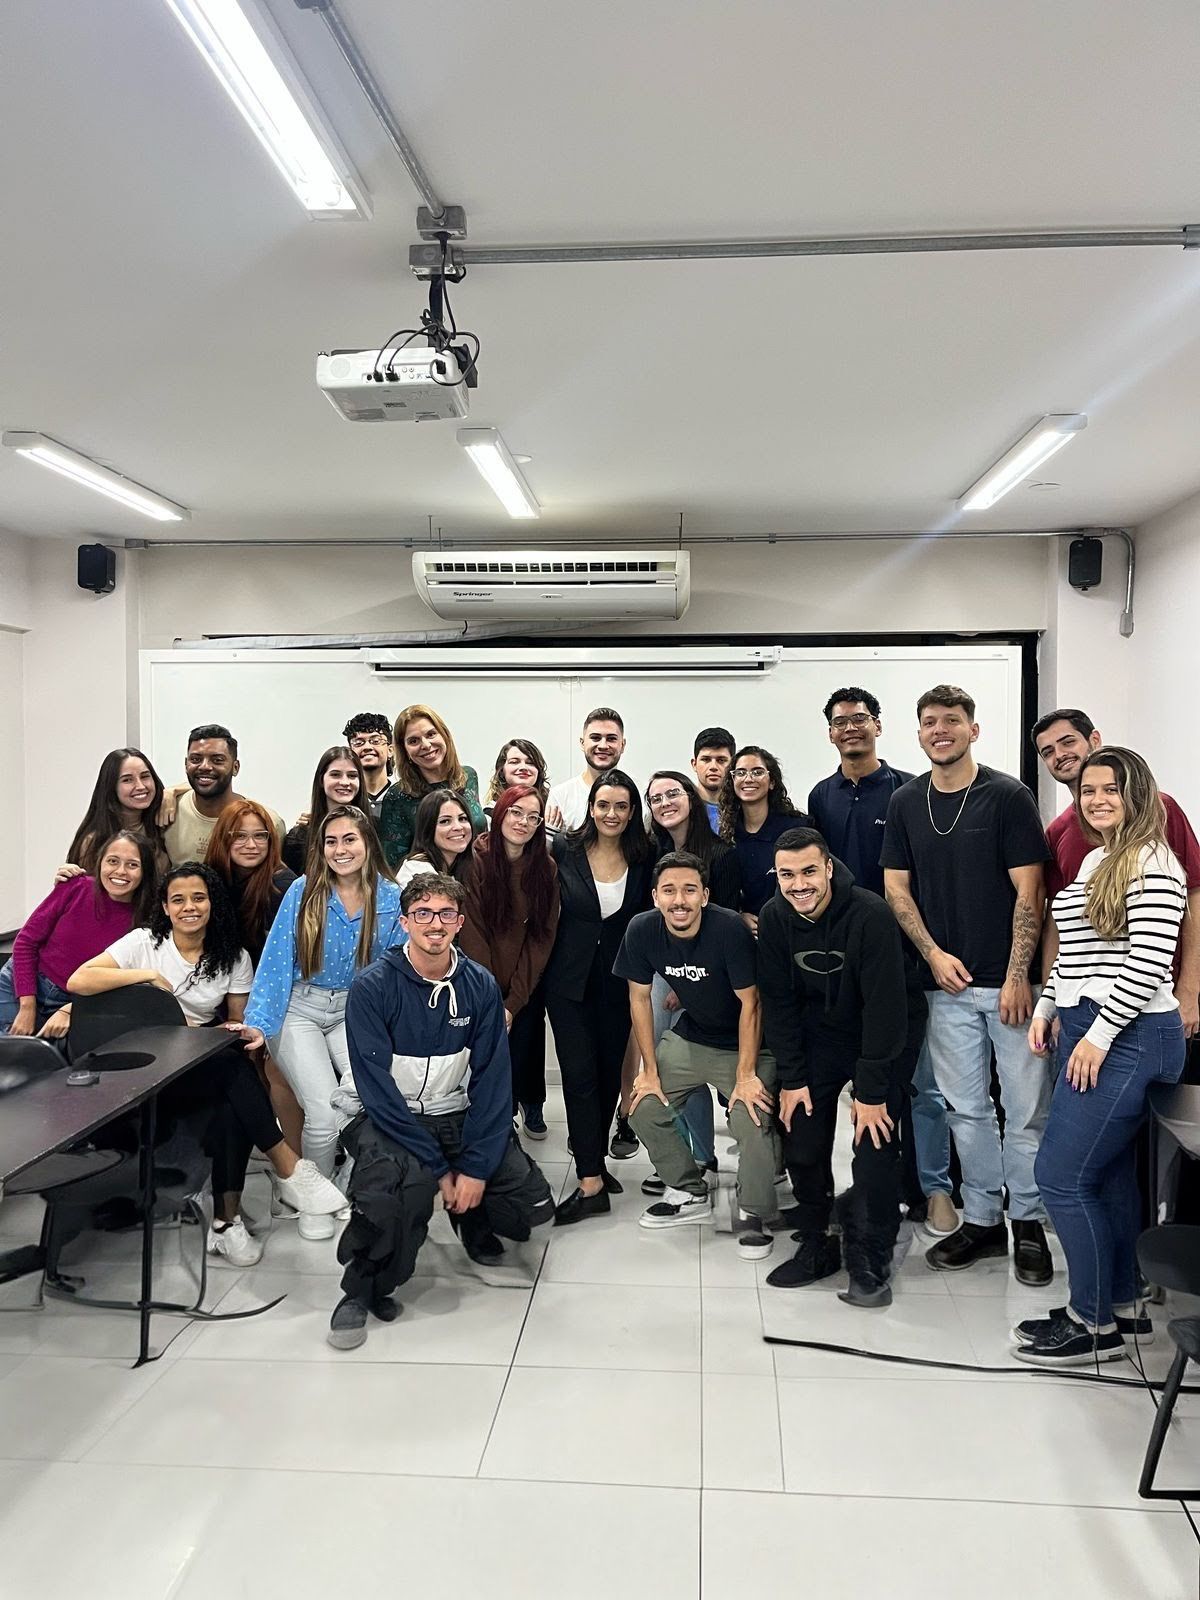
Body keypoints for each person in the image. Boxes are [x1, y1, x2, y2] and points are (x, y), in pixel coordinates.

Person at [68, 862, 346, 1266]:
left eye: (198, 898)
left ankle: (226, 1224)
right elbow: (79, 980)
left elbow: (235, 1025)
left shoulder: (232, 957)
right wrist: (147, 977)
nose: (189, 907)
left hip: (192, 1067)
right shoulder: (144, 943)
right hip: (142, 1074)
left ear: (212, 903)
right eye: (178, 900)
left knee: (232, 1084)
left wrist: (215, 1032)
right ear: (165, 907)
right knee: (231, 1075)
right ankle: (286, 1168)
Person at [327, 873, 555, 1349]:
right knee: (398, 1190)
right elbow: (377, 1092)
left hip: (453, 1108)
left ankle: (471, 1219)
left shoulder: (480, 985)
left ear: (460, 922)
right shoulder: (373, 986)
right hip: (387, 1115)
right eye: (423, 913)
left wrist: (474, 1168)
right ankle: (362, 1285)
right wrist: (435, 1167)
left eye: (446, 913)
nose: (435, 923)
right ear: (405, 922)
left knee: (530, 1203)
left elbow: (493, 1082)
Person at [1017, 748, 1187, 1366]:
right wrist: (1047, 1007)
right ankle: (1119, 1304)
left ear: (1136, 793)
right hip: (1093, 1022)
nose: (1096, 800)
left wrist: (1098, 1035)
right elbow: (1077, 952)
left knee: (1060, 1177)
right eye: (1088, 790)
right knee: (1107, 1173)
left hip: (1129, 1032)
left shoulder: (1154, 861)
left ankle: (1091, 1327)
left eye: (1110, 789)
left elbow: (1148, 961)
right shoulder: (1098, 858)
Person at [881, 684, 1054, 1284]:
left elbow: (1031, 891)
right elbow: (896, 888)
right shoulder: (907, 802)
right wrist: (931, 955)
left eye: (951, 720)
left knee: (1025, 1112)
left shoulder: (1007, 796)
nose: (940, 730)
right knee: (966, 1112)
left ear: (973, 730)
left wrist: (1018, 976)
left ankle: (1027, 1222)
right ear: (919, 733)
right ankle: (982, 1221)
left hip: (1009, 989)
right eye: (929, 721)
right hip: (945, 987)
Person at [758, 828, 927, 1306]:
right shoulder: (774, 917)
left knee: (874, 1144)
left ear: (829, 868)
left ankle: (870, 1253)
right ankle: (818, 1239)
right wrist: (793, 1078)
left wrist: (870, 1093)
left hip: (884, 1034)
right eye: (787, 875)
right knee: (802, 1135)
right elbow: (779, 1003)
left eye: (809, 871)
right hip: (820, 1035)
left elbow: (886, 1008)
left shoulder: (870, 913)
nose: (799, 885)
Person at [805, 687, 951, 1234]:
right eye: (840, 721)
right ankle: (864, 1191)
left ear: (878, 726)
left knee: (911, 1082)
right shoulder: (821, 796)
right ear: (830, 733)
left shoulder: (909, 792)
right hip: (841, 963)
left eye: (860, 719)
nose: (850, 728)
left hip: (901, 958)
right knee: (856, 1083)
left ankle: (924, 1188)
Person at [241, 806, 403, 1240]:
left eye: (349, 839)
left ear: (368, 843)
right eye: (331, 841)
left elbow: (395, 968)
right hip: (299, 1008)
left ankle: (346, 1184)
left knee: (370, 1095)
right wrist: (259, 1023)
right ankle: (316, 1197)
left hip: (356, 1009)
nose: (340, 849)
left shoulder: (390, 897)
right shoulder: (303, 890)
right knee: (323, 1113)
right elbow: (276, 961)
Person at [620, 851, 780, 1259]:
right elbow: (639, 999)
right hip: (693, 1037)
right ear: (655, 897)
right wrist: (648, 1071)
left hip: (748, 1043)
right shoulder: (642, 929)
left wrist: (746, 1075)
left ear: (705, 896)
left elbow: (752, 1003)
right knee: (642, 1106)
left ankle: (754, 1210)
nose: (679, 900)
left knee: (750, 1115)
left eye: (690, 890)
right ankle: (690, 1192)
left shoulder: (728, 929)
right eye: (669, 891)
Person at [1032, 707, 1200, 1037]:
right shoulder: (1058, 834)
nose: (1059, 755)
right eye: (1047, 751)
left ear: (1094, 740)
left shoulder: (1161, 810)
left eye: (1068, 742)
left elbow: (1194, 895)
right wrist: (1055, 1005)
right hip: (1084, 1007)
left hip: (1152, 1003)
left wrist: (1190, 988)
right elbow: (1058, 926)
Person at [546, 770, 654, 1224]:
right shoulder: (564, 848)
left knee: (609, 1075)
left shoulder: (644, 855)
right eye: (603, 804)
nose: (611, 814)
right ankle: (589, 1180)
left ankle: (596, 1163)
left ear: (632, 813)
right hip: (567, 982)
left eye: (621, 806)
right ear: (590, 808)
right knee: (578, 1075)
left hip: (619, 981)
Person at [642, 769, 743, 1183]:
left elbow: (728, 924)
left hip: (707, 977)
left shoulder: (721, 854)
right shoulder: (654, 851)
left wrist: (688, 988)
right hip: (662, 970)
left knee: (699, 1061)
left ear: (691, 797)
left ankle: (705, 1156)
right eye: (656, 798)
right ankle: (689, 1156)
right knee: (674, 1071)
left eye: (673, 794)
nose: (665, 803)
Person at [460, 786, 559, 1138]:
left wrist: (513, 1002)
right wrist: (492, 998)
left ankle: (529, 1103)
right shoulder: (476, 860)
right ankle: (497, 1121)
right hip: (480, 980)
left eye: (533, 817)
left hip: (523, 980)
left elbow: (541, 938)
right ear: (500, 813)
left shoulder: (545, 868)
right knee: (486, 1055)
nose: (523, 822)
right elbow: (471, 931)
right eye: (516, 812)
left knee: (526, 1040)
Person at [205, 800, 301, 1148]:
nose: (251, 845)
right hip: (226, 987)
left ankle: (283, 1147)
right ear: (224, 839)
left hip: (276, 992)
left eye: (260, 836)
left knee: (271, 1067)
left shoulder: (282, 884)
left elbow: (289, 959)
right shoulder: (213, 881)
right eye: (240, 836)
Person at [1, 831, 158, 1038]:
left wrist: (72, 1009)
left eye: (132, 865)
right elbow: (25, 942)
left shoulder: (147, 921)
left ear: (145, 871)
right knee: (12, 1051)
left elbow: (123, 982)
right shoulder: (76, 886)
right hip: (22, 984)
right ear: (100, 863)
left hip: (78, 1002)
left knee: (47, 1058)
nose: (120, 871)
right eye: (112, 861)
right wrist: (27, 1005)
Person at [163, 724, 285, 868]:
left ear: (235, 767)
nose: (205, 766)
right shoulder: (167, 811)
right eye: (195, 759)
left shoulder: (267, 822)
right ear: (185, 764)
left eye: (217, 760)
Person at [378, 705, 485, 867]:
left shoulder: (468, 777)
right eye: (414, 741)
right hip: (428, 880)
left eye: (431, 734)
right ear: (404, 750)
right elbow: (393, 864)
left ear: (444, 735)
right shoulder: (398, 795)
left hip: (478, 876)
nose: (426, 745)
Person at [718, 745, 810, 934]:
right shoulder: (727, 836)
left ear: (772, 782)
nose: (748, 779)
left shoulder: (798, 828)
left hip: (794, 930)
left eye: (757, 772)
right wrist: (738, 916)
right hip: (749, 935)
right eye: (740, 773)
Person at [64, 748, 169, 875]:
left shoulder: (164, 822)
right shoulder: (95, 841)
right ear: (111, 787)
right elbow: (85, 886)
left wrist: (173, 791)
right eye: (127, 780)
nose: (141, 786)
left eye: (145, 776)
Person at [282, 746, 369, 874]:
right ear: (321, 780)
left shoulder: (375, 827)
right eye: (335, 775)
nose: (345, 782)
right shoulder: (299, 837)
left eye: (352, 775)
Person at [546, 707, 628, 831]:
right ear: (582, 743)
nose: (603, 746)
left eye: (611, 739)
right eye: (595, 738)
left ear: (622, 745)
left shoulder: (640, 792)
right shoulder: (560, 796)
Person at [394, 788, 475, 891]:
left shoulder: (469, 865)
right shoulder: (416, 870)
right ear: (428, 828)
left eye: (462, 819)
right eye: (445, 821)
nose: (458, 827)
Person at [343, 712, 396, 824]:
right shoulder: (344, 801)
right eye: (358, 743)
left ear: (390, 750)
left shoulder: (405, 798)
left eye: (376, 741)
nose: (367, 747)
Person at [485, 739, 549, 813]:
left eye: (530, 763)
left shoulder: (551, 808)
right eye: (514, 762)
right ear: (502, 770)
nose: (523, 767)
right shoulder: (490, 813)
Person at [691, 727, 736, 831]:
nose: (713, 767)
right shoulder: (680, 809)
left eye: (721, 760)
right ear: (694, 764)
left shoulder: (744, 810)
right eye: (706, 760)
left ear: (733, 765)